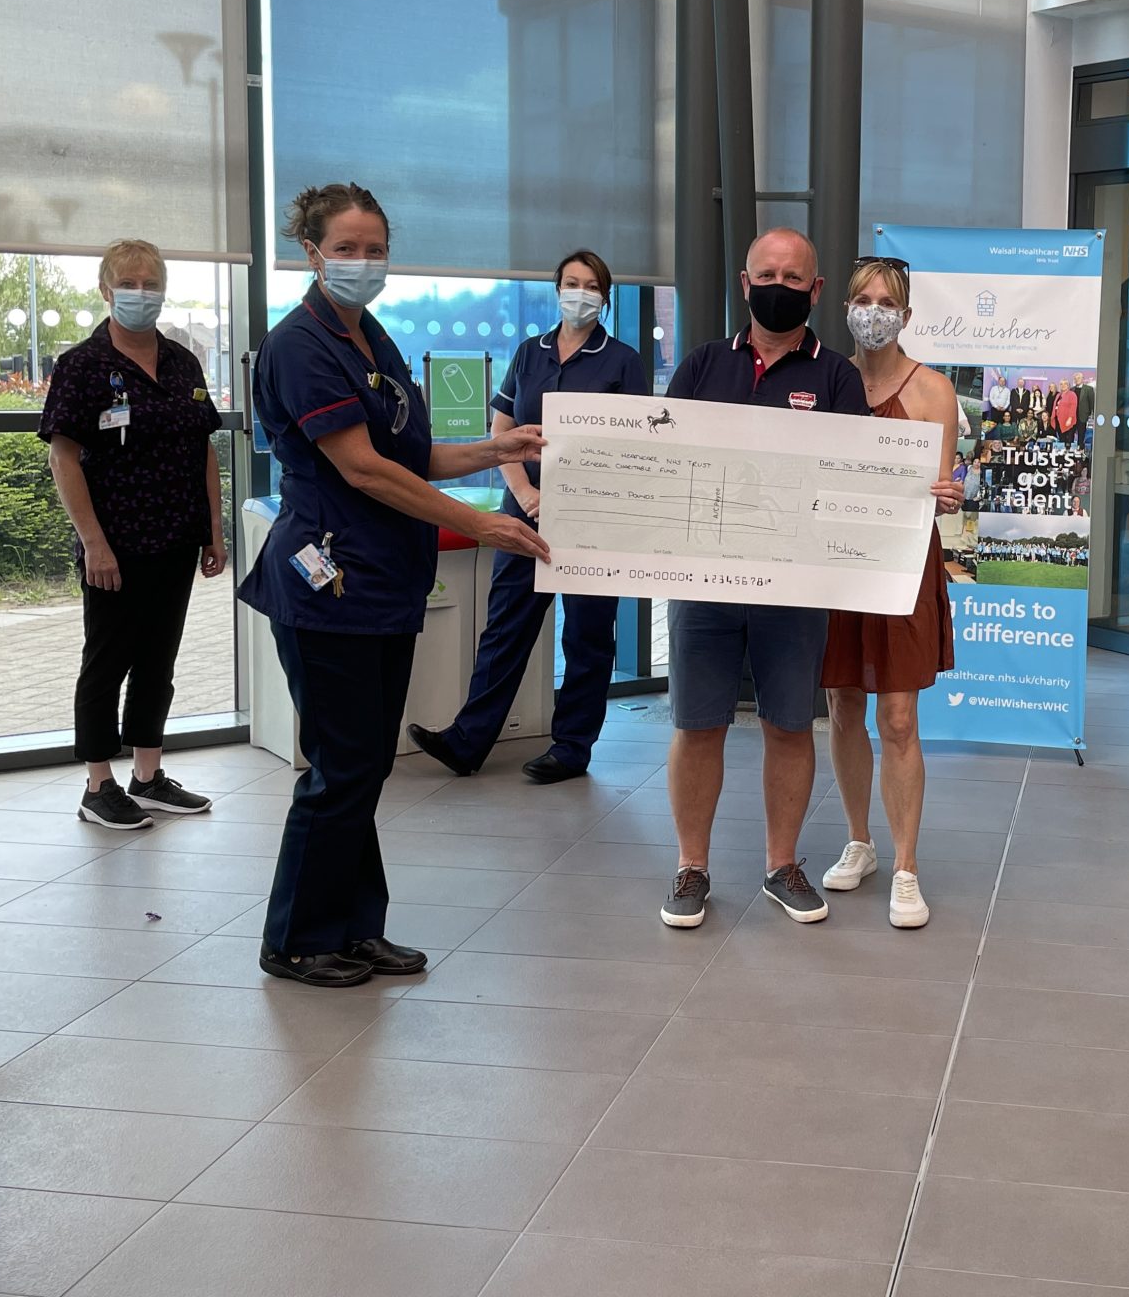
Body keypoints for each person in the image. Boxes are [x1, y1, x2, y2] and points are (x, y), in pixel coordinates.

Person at [238, 182, 552, 987]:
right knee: (341, 766)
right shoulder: (302, 346)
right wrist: (481, 523)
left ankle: (354, 927)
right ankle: (298, 938)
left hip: (381, 585)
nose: (363, 262)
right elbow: (364, 469)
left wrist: (498, 448)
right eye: (346, 248)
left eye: (375, 248)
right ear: (310, 253)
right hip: (327, 584)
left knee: (365, 764)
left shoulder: (370, 337)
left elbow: (412, 453)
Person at [657, 228, 869, 930]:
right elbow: (662, 462)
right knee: (698, 724)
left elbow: (859, 478)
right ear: (745, 284)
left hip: (794, 590)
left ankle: (783, 865)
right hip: (704, 582)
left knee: (788, 724)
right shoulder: (701, 366)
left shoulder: (836, 376)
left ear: (816, 290)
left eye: (794, 275)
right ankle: (692, 867)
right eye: (766, 273)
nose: (779, 284)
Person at [409, 250, 646, 783]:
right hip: (524, 507)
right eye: (570, 282)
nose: (579, 293)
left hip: (592, 516)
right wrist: (523, 490)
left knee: (587, 634)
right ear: (556, 289)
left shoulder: (623, 360)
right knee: (507, 622)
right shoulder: (528, 352)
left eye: (590, 286)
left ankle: (571, 748)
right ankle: (468, 741)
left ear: (604, 298)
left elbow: (638, 443)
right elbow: (503, 426)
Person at [41, 239, 225, 830]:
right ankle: (99, 785)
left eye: (151, 283)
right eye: (130, 283)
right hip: (113, 547)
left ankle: (148, 775)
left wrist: (213, 532)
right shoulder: (82, 366)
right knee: (106, 660)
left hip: (175, 538)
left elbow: (203, 450)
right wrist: (93, 541)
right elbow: (63, 459)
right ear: (105, 289)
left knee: (158, 661)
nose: (141, 293)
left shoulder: (182, 362)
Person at [820, 257, 963, 929]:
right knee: (844, 703)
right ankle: (861, 841)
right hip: (835, 564)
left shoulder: (933, 390)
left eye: (886, 301)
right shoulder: (824, 380)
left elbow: (938, 488)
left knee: (899, 717)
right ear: (845, 306)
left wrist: (950, 493)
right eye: (862, 299)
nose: (873, 311)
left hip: (903, 565)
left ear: (906, 314)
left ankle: (906, 866)